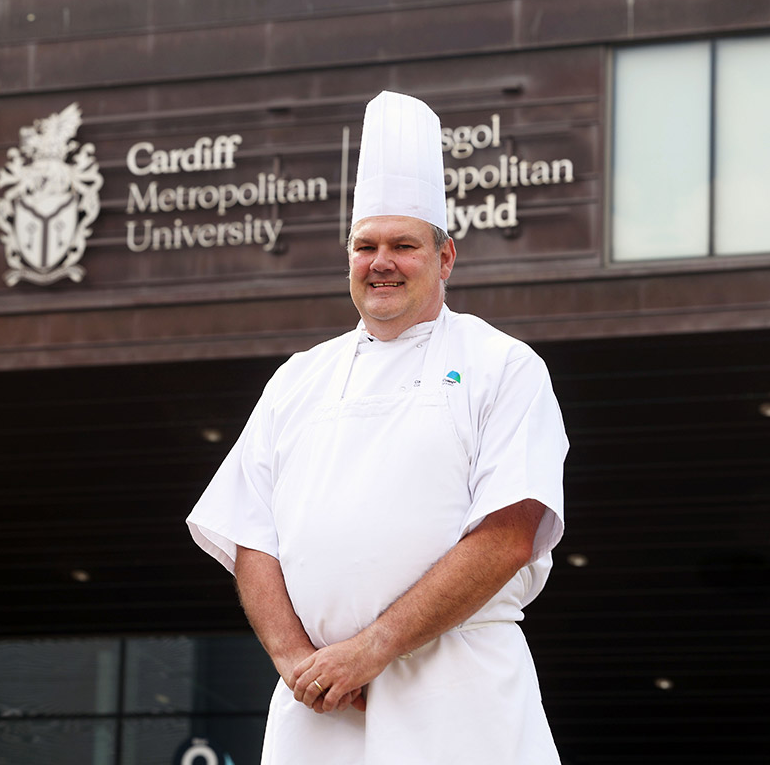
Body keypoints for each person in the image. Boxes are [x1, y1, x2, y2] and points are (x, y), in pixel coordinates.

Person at [187, 90, 568, 764]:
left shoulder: (502, 366)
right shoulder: (297, 380)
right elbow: (251, 537)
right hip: (320, 709)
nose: (381, 262)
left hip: (461, 692)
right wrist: (296, 659)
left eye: (403, 245)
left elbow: (510, 534)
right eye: (366, 246)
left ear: (445, 258)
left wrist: (375, 648)